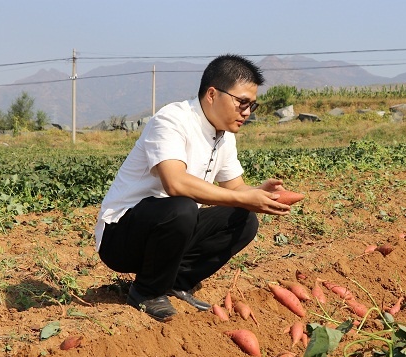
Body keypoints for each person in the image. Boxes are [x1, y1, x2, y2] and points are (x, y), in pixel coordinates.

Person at [94, 54, 291, 322]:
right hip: (121, 236)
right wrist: (242, 197)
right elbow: (174, 183)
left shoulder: (224, 136)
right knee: (182, 206)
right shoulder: (173, 119)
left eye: (252, 105)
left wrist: (258, 193)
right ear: (212, 94)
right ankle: (146, 292)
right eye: (241, 102)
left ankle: (176, 280)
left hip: (170, 230)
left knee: (244, 219)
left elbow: (235, 187)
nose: (246, 112)